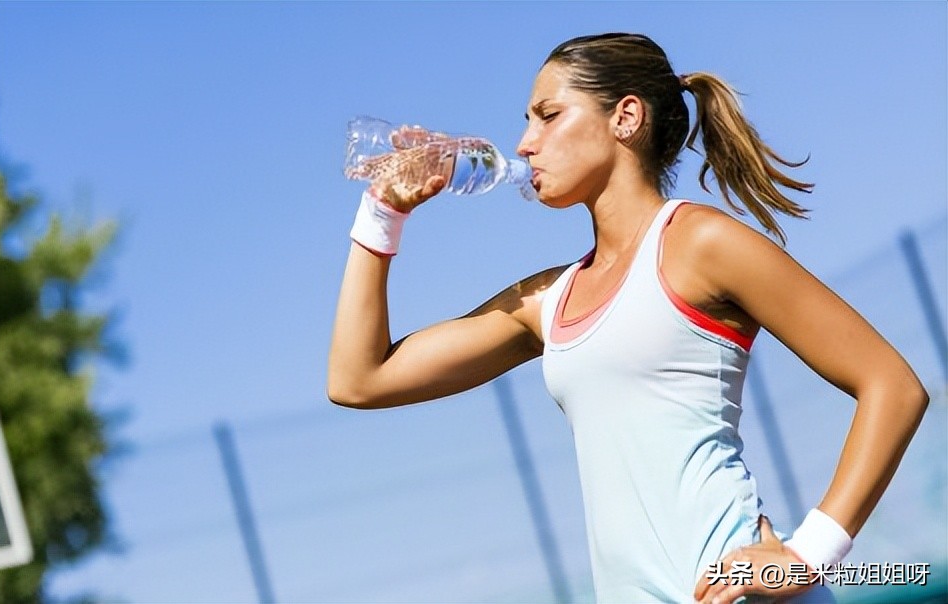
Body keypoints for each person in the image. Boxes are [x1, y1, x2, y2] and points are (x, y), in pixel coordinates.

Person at [327, 33, 929, 603]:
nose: (523, 143)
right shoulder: (547, 302)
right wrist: (382, 211)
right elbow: (359, 381)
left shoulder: (701, 244)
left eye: (548, 115)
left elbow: (892, 385)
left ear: (626, 118)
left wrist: (809, 555)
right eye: (526, 120)